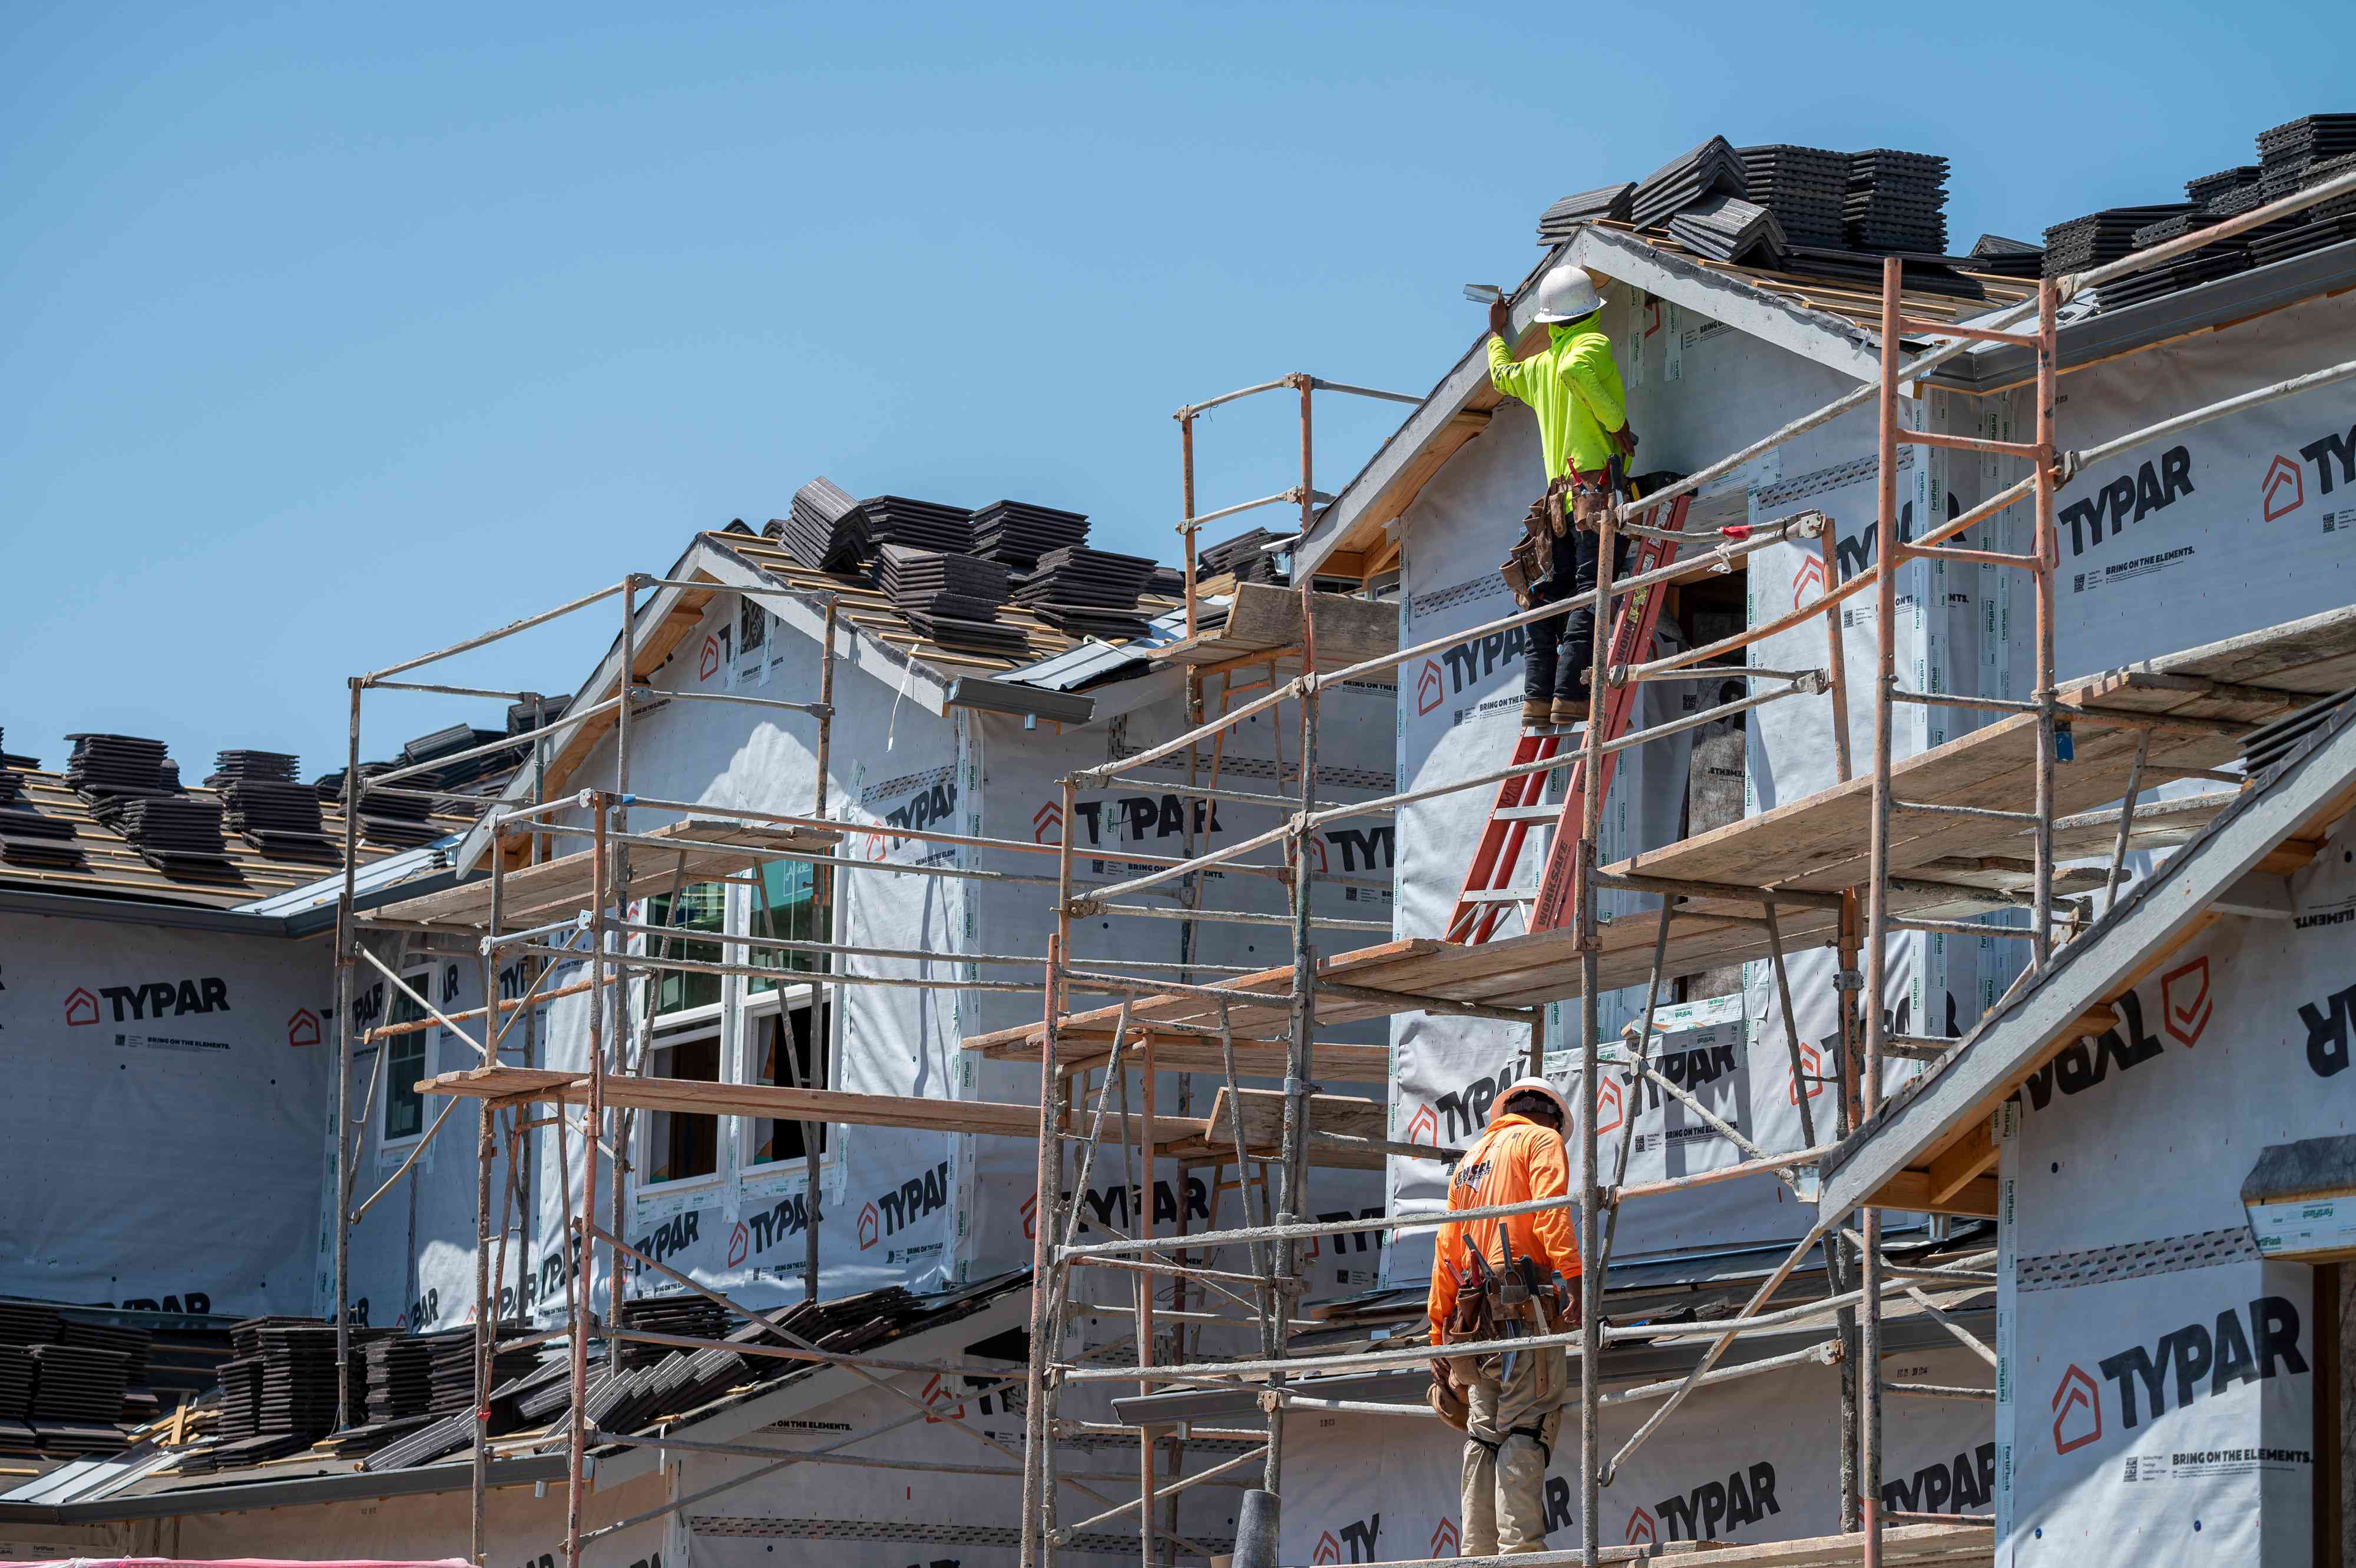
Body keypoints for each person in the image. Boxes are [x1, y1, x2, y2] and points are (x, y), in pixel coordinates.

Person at [1426, 1077, 1583, 1555]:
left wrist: (1438, 1335)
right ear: (1552, 1116)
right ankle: (1519, 1555)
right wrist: (1574, 1276)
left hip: (1472, 1313)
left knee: (1484, 1434)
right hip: (1521, 1301)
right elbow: (1549, 1210)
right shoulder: (1541, 1140)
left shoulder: (1470, 1161)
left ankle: (1476, 1554)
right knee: (1526, 1425)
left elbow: (1446, 1250)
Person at [1486, 265, 1634, 729]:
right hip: (1594, 498)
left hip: (1561, 505)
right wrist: (1618, 428)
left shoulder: (1539, 367)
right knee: (1591, 591)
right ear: (1590, 311)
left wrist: (1496, 334)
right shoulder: (1590, 346)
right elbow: (1576, 368)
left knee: (1552, 594)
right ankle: (1570, 694)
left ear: (1550, 322)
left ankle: (1537, 697)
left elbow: (1502, 374)